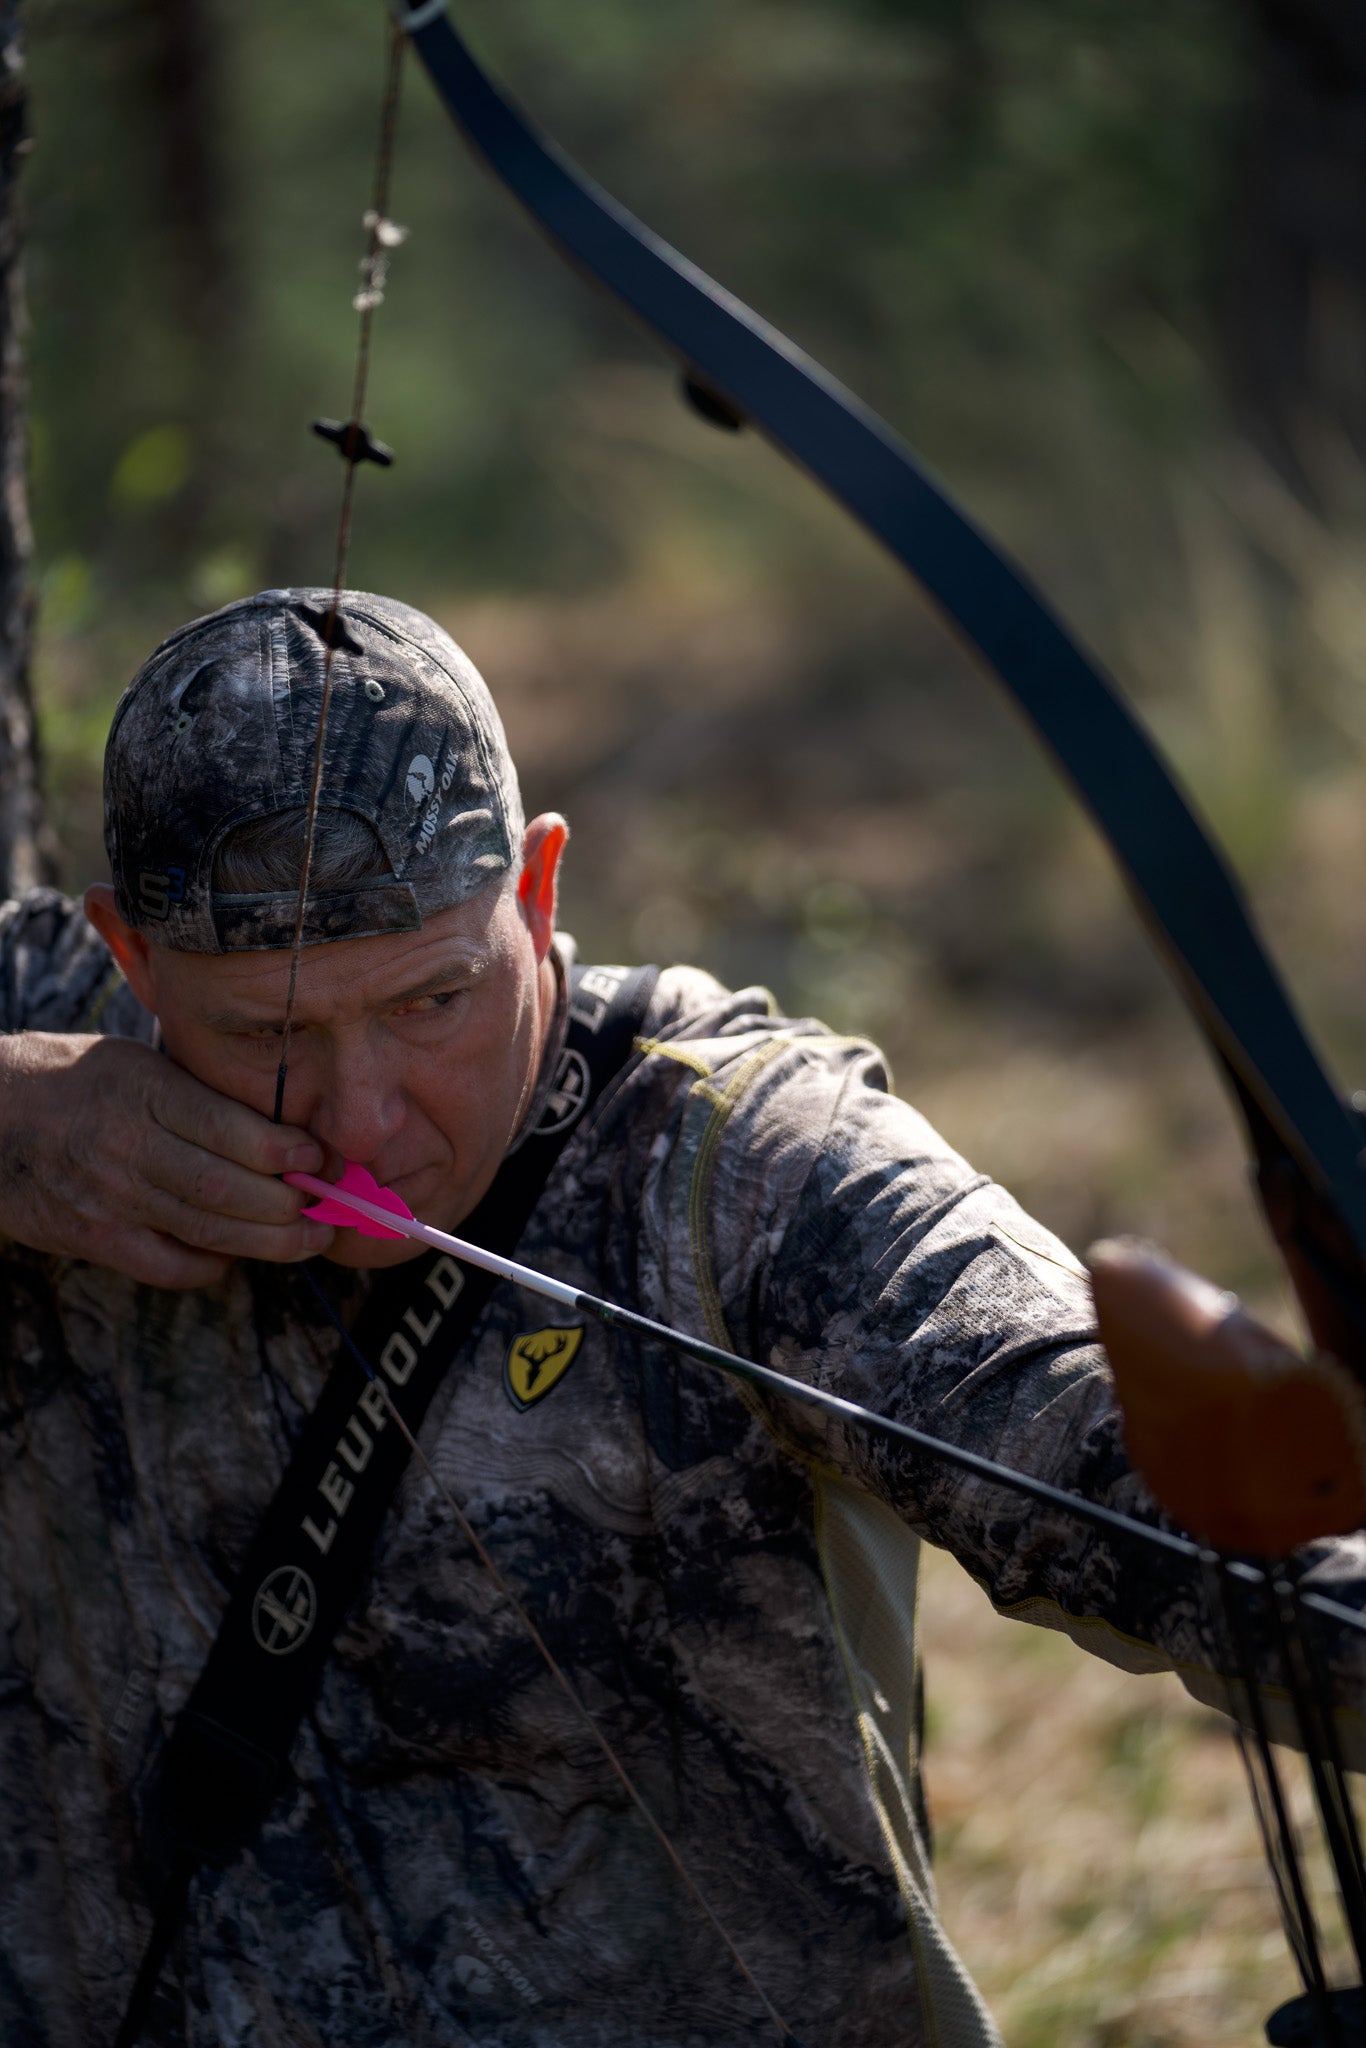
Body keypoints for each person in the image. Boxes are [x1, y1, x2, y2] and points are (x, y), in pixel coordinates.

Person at [0, 587, 1359, 2048]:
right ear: (128, 960)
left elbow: (1093, 1441)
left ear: (536, 894)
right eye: (265, 1035)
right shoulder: (55, 1043)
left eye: (434, 1001)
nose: (363, 1115)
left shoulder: (737, 1154)